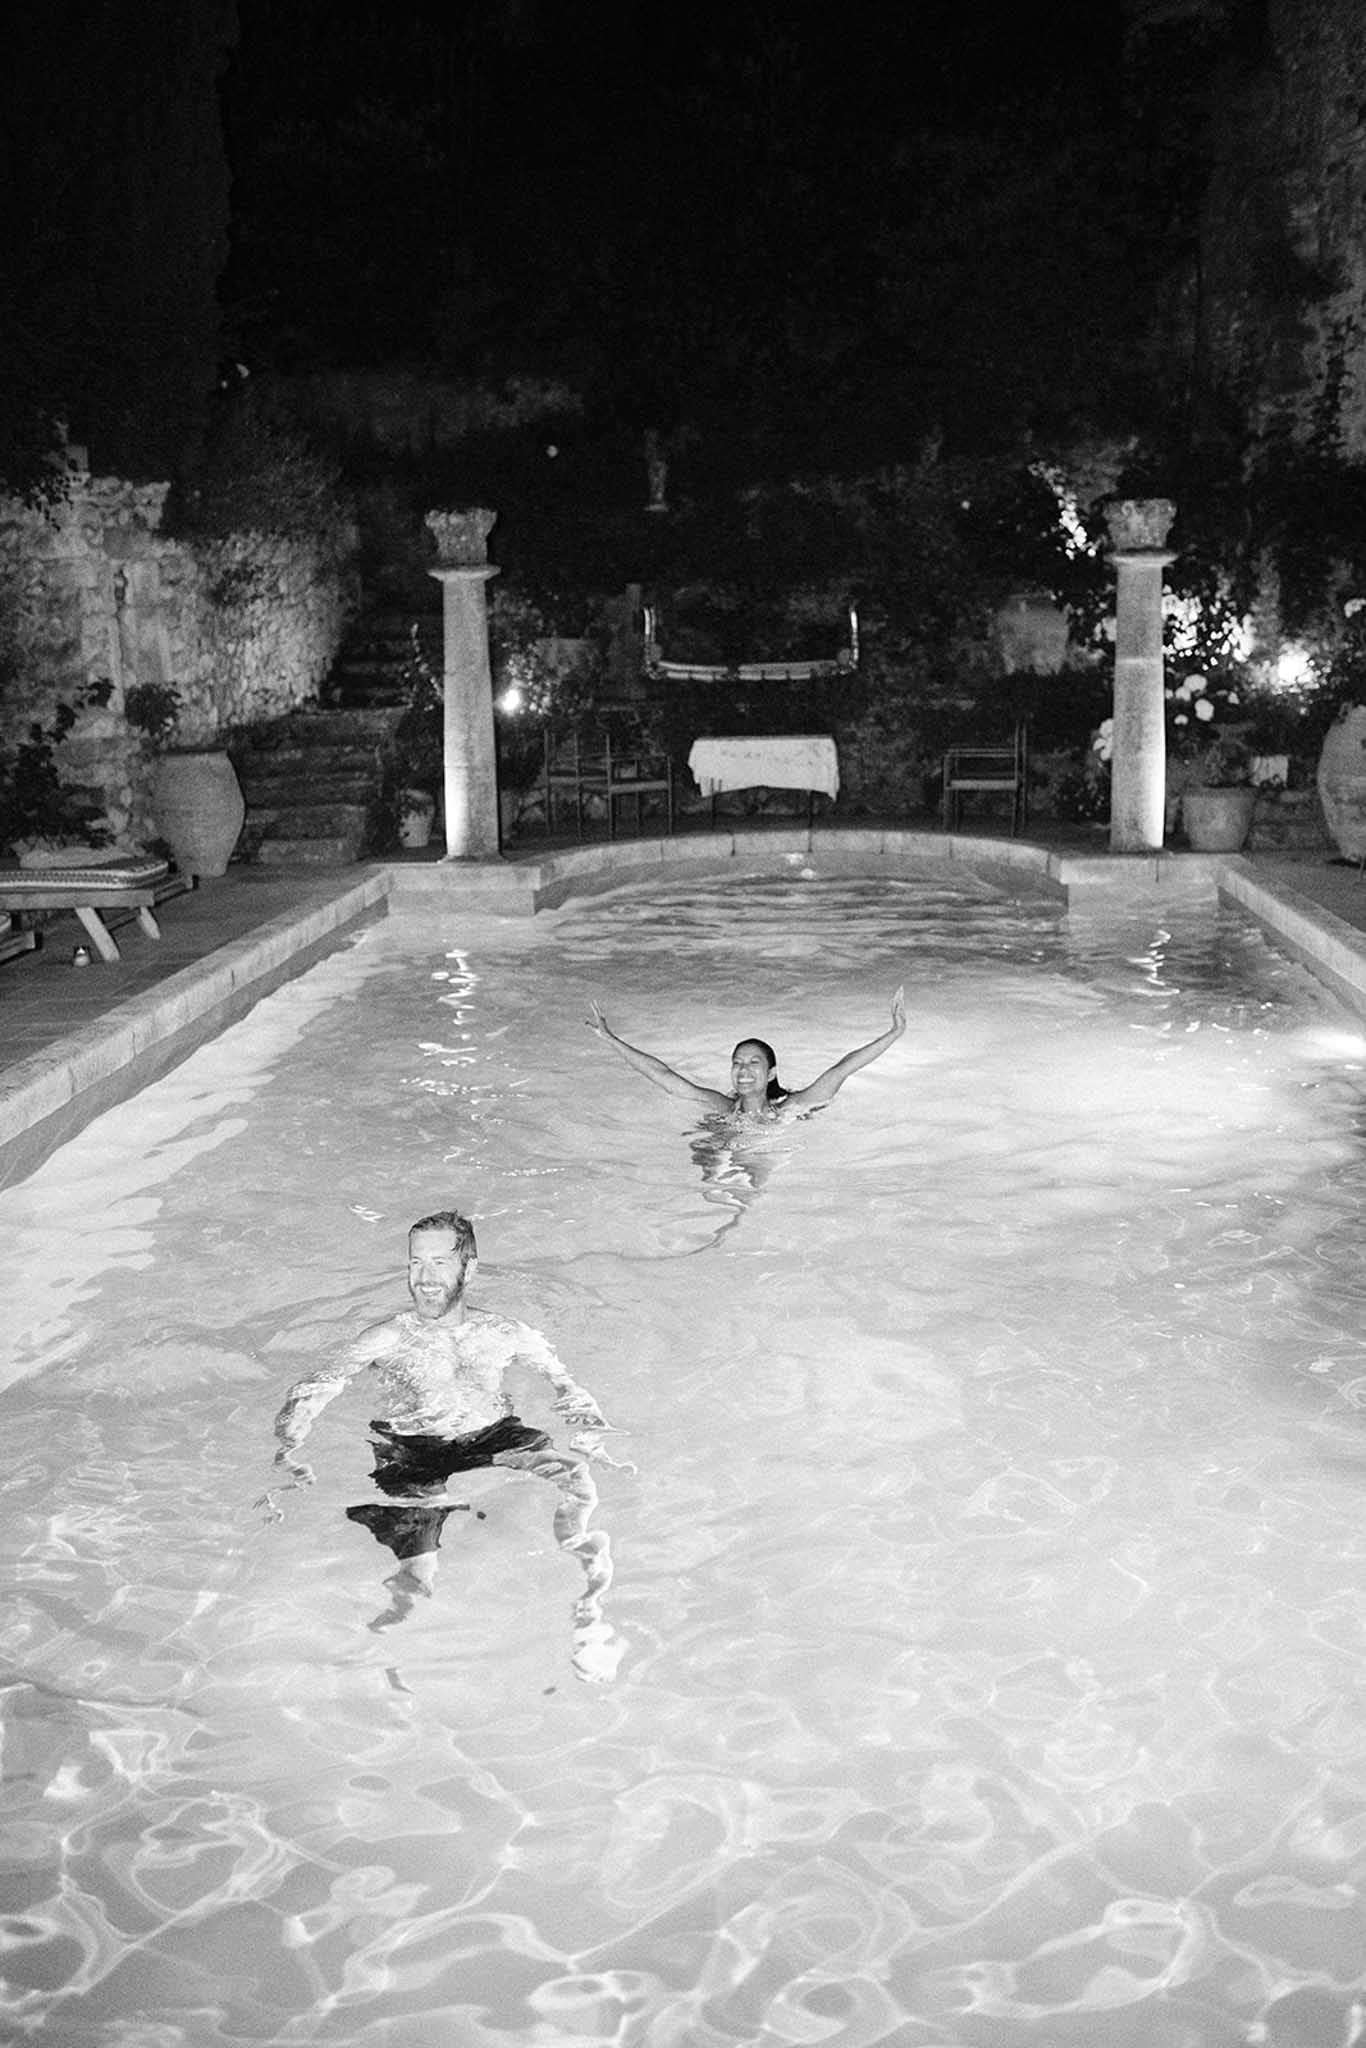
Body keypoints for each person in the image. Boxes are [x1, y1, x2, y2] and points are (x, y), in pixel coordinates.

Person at [260, 1210, 627, 1681]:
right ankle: (379, 1655)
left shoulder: (505, 1332)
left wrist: (593, 1430)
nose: (424, 1278)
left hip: (493, 1434)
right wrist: (289, 1451)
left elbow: (565, 1385)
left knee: (577, 1479)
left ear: (469, 1269)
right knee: (420, 1573)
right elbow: (317, 1387)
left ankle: (590, 1608)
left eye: (439, 1263)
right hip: (414, 1447)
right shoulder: (387, 1337)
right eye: (416, 1263)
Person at [586, 987, 906, 1119]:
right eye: (737, 1063)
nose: (743, 1070)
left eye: (754, 1062)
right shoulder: (723, 1107)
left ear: (771, 1073)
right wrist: (611, 1039)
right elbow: (664, 1077)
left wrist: (894, 1033)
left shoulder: (791, 1107)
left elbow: (842, 1069)